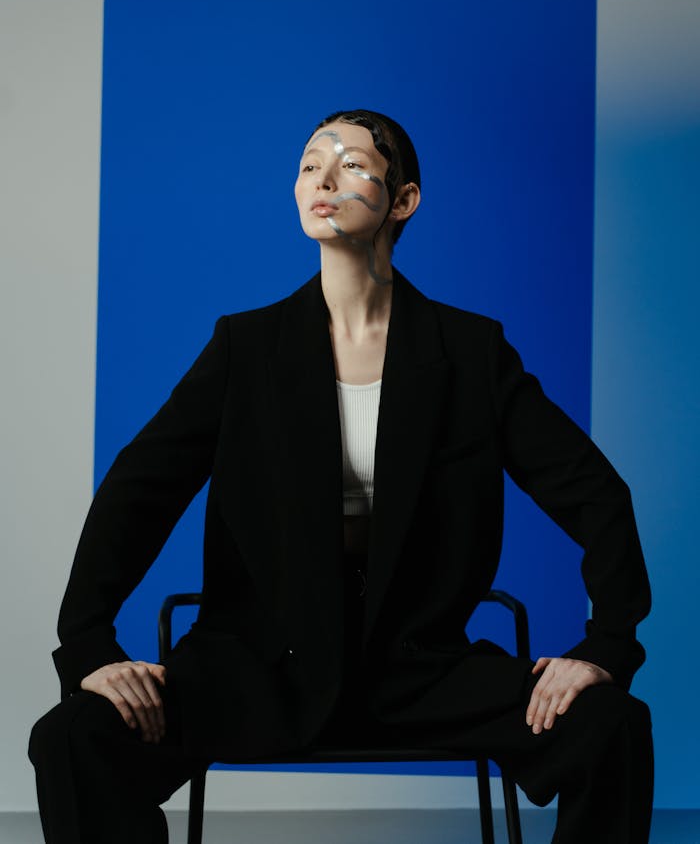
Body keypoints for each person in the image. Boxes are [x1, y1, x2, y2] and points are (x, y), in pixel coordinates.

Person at [29, 109, 653, 843]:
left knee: (612, 725)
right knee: (72, 736)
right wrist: (91, 649)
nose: (322, 178)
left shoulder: (471, 353)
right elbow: (137, 494)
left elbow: (596, 494)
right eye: (308, 163)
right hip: (256, 671)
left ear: (404, 199)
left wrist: (605, 648)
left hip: (422, 674)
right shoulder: (245, 348)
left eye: (353, 163)